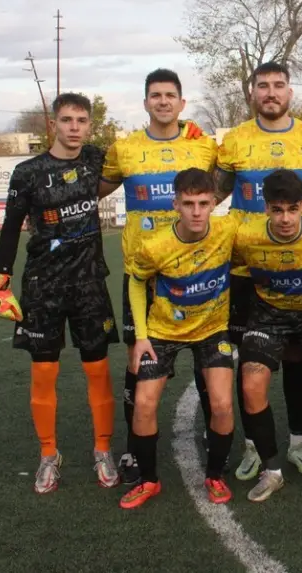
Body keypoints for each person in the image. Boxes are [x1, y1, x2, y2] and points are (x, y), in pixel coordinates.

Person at [0, 92, 120, 494]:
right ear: (53, 123)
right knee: (44, 372)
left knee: (97, 369)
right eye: (67, 120)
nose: (74, 128)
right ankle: (48, 455)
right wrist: (1, 279)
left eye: (81, 120)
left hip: (89, 284)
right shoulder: (27, 172)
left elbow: (137, 156)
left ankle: (103, 450)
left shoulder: (96, 159)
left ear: (90, 125)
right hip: (42, 286)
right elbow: (10, 227)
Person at [99, 68, 218, 485]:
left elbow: (227, 182)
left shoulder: (204, 146)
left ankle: (212, 433)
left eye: (170, 95)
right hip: (142, 274)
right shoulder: (125, 149)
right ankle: (135, 450)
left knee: (207, 360)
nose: (163, 101)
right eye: (156, 95)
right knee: (138, 361)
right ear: (145, 102)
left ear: (182, 103)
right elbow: (94, 188)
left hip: (193, 271)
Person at [214, 61, 302, 482]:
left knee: (297, 358)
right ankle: (252, 446)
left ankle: (298, 442)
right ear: (252, 93)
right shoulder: (234, 139)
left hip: (297, 266)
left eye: (278, 85)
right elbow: (213, 194)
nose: (270, 92)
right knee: (249, 360)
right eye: (262, 85)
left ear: (290, 92)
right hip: (246, 269)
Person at [119, 168, 238, 509]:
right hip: (163, 331)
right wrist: (141, 336)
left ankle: (215, 475)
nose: (196, 212)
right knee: (143, 403)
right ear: (176, 204)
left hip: (212, 329)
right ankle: (149, 480)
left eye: (203, 203)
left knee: (222, 404)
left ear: (214, 203)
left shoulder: (228, 229)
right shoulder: (155, 245)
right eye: (188, 204)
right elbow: (136, 283)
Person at [232, 169, 302, 501]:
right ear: (265, 208)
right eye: (277, 210)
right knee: (251, 385)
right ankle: (272, 471)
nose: (285, 218)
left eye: (293, 209)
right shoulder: (244, 235)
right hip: (268, 313)